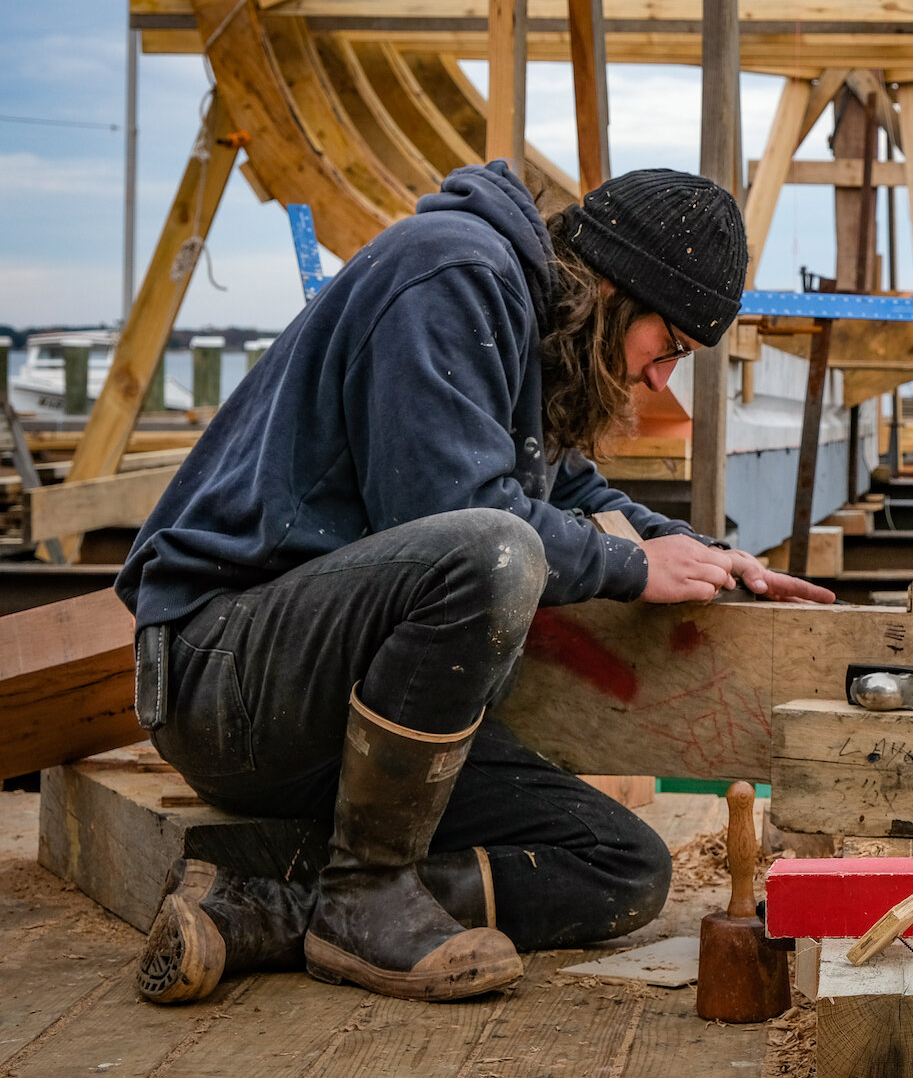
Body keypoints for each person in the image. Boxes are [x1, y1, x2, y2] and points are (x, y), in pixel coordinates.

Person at [116, 162, 835, 1006]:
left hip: (344, 706)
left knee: (622, 867)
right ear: (613, 290)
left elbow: (572, 495)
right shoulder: (453, 275)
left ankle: (267, 909)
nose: (661, 377)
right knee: (495, 550)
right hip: (225, 678)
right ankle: (366, 893)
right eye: (669, 345)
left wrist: (699, 551)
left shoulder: (536, 331)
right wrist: (633, 568)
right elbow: (456, 515)